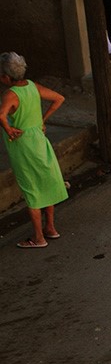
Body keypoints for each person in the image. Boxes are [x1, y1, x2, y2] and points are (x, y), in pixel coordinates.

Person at [0, 52, 68, 248]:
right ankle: (51, 228)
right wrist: (42, 121)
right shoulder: (32, 86)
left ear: (6, 77)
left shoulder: (10, 94)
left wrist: (9, 129)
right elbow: (59, 98)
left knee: (31, 188)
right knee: (46, 181)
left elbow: (1, 115)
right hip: (39, 139)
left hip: (23, 145)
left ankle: (38, 238)